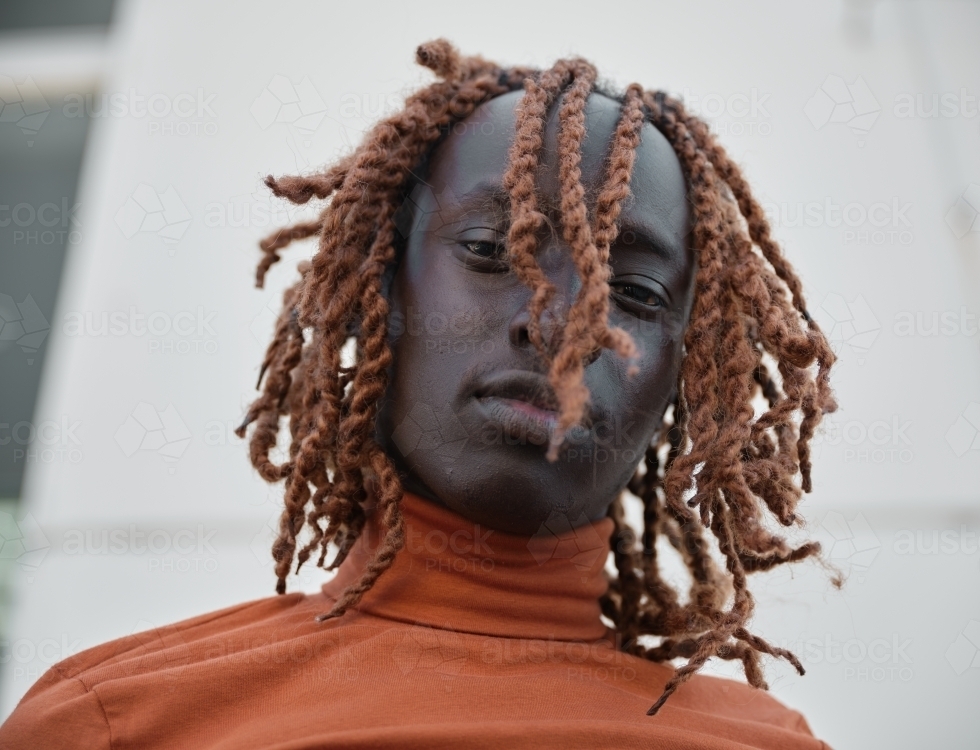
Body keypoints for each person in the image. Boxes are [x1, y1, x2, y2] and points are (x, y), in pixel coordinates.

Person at [0, 40, 836, 748]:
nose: (560, 327)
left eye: (639, 296)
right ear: (381, 290)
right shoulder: (116, 722)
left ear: (690, 380)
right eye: (489, 246)